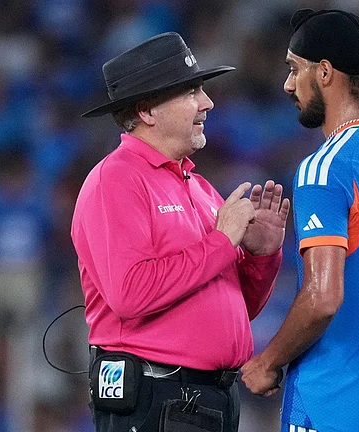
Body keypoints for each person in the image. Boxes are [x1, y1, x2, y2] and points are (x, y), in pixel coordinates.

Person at [71, 32, 290, 432]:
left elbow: (230, 306)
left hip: (211, 398)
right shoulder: (116, 180)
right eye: (191, 91)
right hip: (156, 398)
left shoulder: (200, 188)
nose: (207, 103)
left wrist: (261, 258)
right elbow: (130, 294)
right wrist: (222, 242)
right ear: (147, 109)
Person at [241, 9, 359, 432]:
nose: (288, 84)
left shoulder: (324, 169)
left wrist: (267, 362)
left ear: (324, 72)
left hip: (330, 404)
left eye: (294, 70)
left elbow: (324, 296)